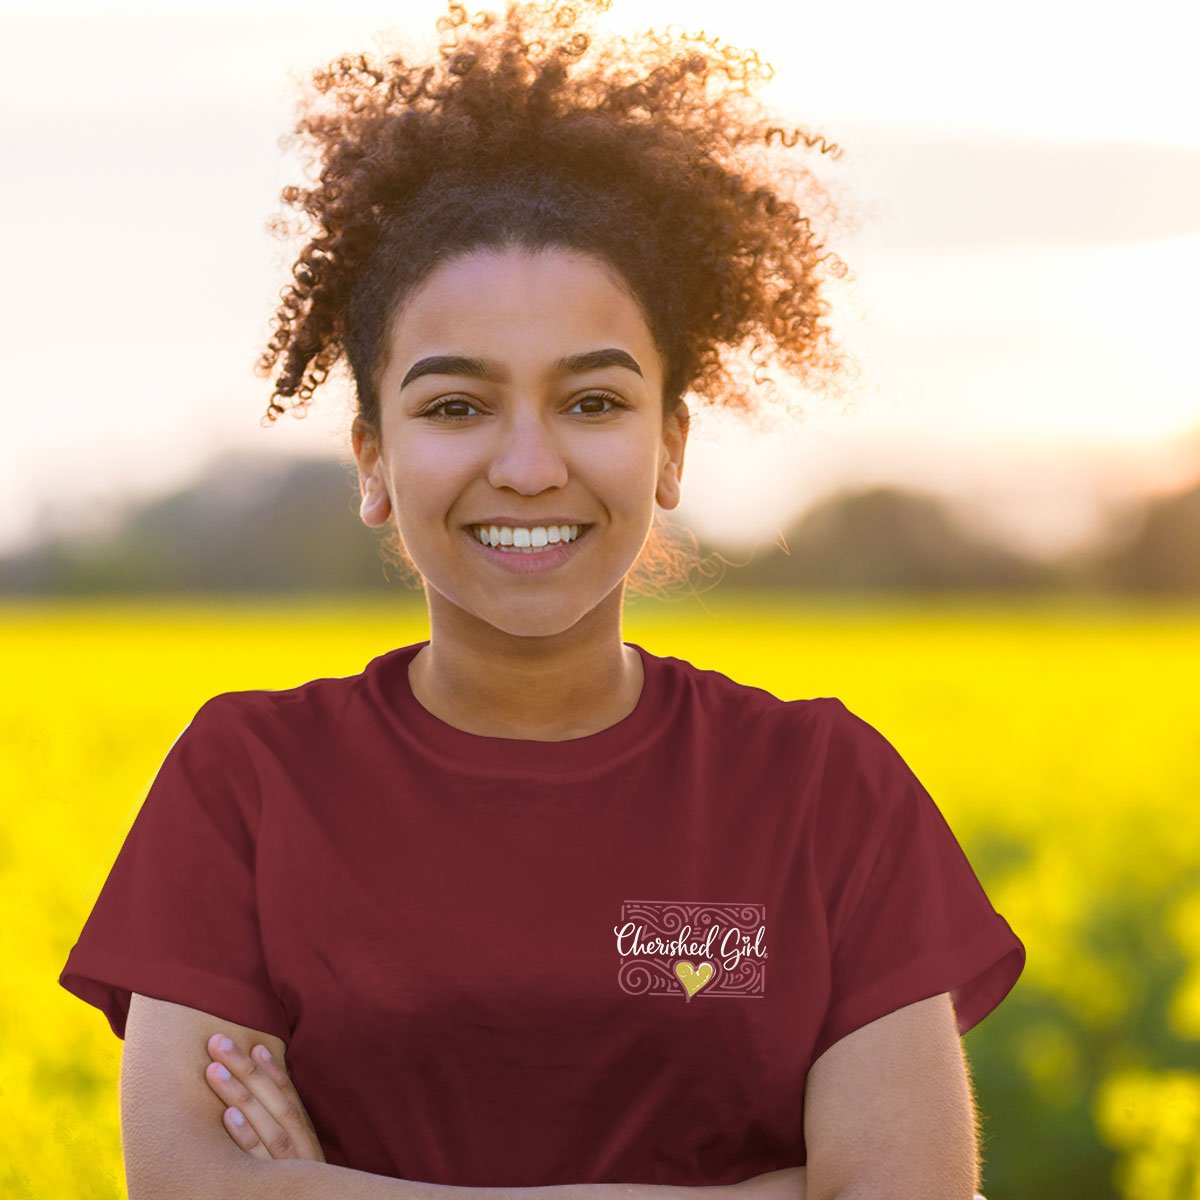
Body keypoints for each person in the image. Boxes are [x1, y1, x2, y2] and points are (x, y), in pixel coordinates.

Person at [57, 2, 1023, 1197]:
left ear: (671, 446)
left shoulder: (825, 787)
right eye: (457, 407)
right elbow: (188, 1185)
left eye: (594, 403)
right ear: (373, 458)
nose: (527, 465)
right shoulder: (246, 778)